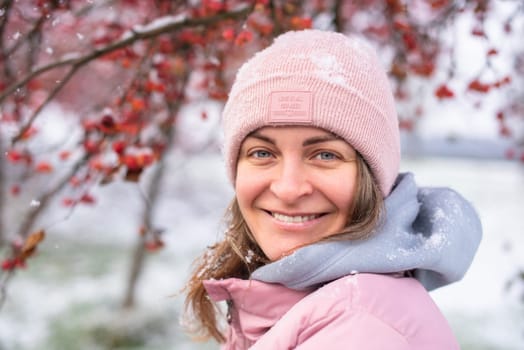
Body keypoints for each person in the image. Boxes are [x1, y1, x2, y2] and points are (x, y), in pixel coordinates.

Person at [183, 29, 482, 349]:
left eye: (325, 155)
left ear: (371, 177)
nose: (288, 189)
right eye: (262, 153)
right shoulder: (315, 303)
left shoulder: (363, 326)